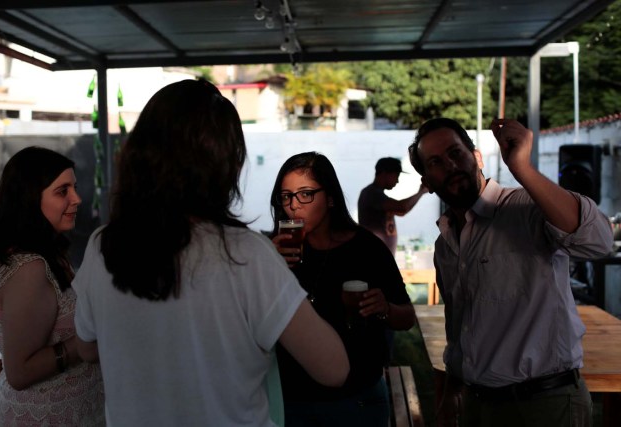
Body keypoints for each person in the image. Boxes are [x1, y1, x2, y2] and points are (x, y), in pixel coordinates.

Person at [72, 79, 349, 427]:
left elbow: (86, 349)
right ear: (225, 165)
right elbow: (333, 368)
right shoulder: (246, 255)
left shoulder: (103, 247)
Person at [408, 117, 614, 427]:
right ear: (428, 180)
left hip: (544, 406)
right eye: (435, 162)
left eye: (455, 153)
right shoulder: (445, 243)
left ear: (476, 156)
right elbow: (459, 323)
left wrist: (523, 168)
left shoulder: (526, 207)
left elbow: (599, 240)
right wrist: (451, 391)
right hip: (477, 405)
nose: (449, 165)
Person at [270, 151, 416, 427]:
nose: (293, 206)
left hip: (357, 399)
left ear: (331, 198)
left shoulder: (367, 248)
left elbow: (406, 317)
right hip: (293, 398)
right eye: (286, 196)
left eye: (305, 194)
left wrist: (384, 309)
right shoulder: (275, 251)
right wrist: (268, 268)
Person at [0, 146, 105, 426]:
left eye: (73, 188)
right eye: (63, 191)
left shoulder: (45, 254)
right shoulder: (28, 269)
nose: (77, 199)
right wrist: (91, 336)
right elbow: (20, 372)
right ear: (29, 199)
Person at [358, 157, 428, 254]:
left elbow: (402, 211)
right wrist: (421, 192)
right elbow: (402, 207)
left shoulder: (375, 194)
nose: (397, 181)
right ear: (384, 173)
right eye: (396, 175)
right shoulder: (371, 194)